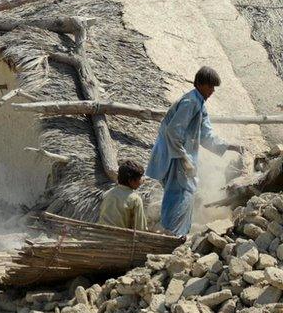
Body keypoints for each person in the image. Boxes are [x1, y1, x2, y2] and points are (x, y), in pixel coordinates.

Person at [145, 66, 245, 236]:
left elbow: (206, 135)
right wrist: (183, 158)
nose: (212, 91)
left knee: (184, 193)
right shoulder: (190, 102)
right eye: (210, 87)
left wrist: (229, 146)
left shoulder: (199, 104)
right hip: (175, 156)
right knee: (180, 193)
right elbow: (172, 132)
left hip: (181, 156)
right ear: (199, 84)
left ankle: (178, 232)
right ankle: (172, 234)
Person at [98, 160, 147, 231]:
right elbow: (140, 228)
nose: (141, 181)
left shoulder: (108, 193)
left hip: (100, 233)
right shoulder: (135, 199)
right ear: (131, 181)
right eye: (139, 178)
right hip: (119, 238)